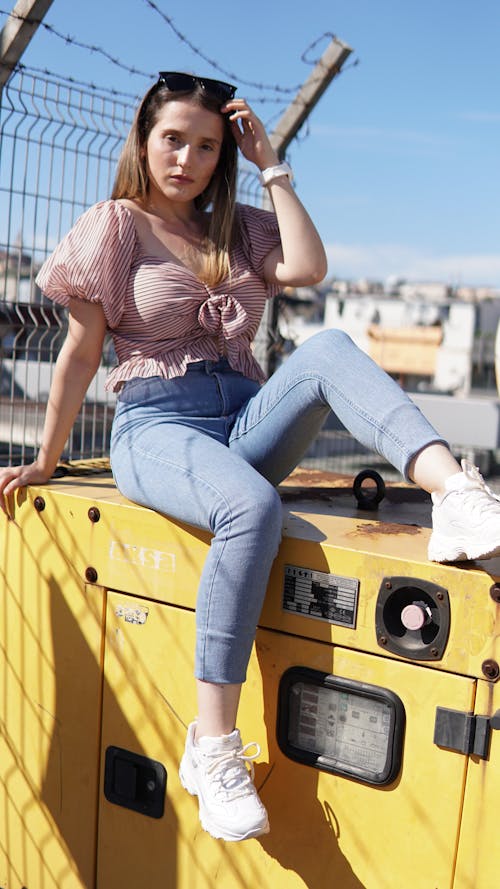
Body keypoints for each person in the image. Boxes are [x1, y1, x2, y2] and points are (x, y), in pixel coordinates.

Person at [1, 70, 500, 843]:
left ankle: (456, 495)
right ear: (144, 139)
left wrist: (271, 166)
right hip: (157, 427)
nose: (187, 159)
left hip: (242, 416)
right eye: (172, 140)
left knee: (330, 346)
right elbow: (78, 352)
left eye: (205, 146)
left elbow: (307, 269)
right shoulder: (115, 225)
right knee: (252, 507)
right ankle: (214, 746)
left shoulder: (235, 222)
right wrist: (44, 459)